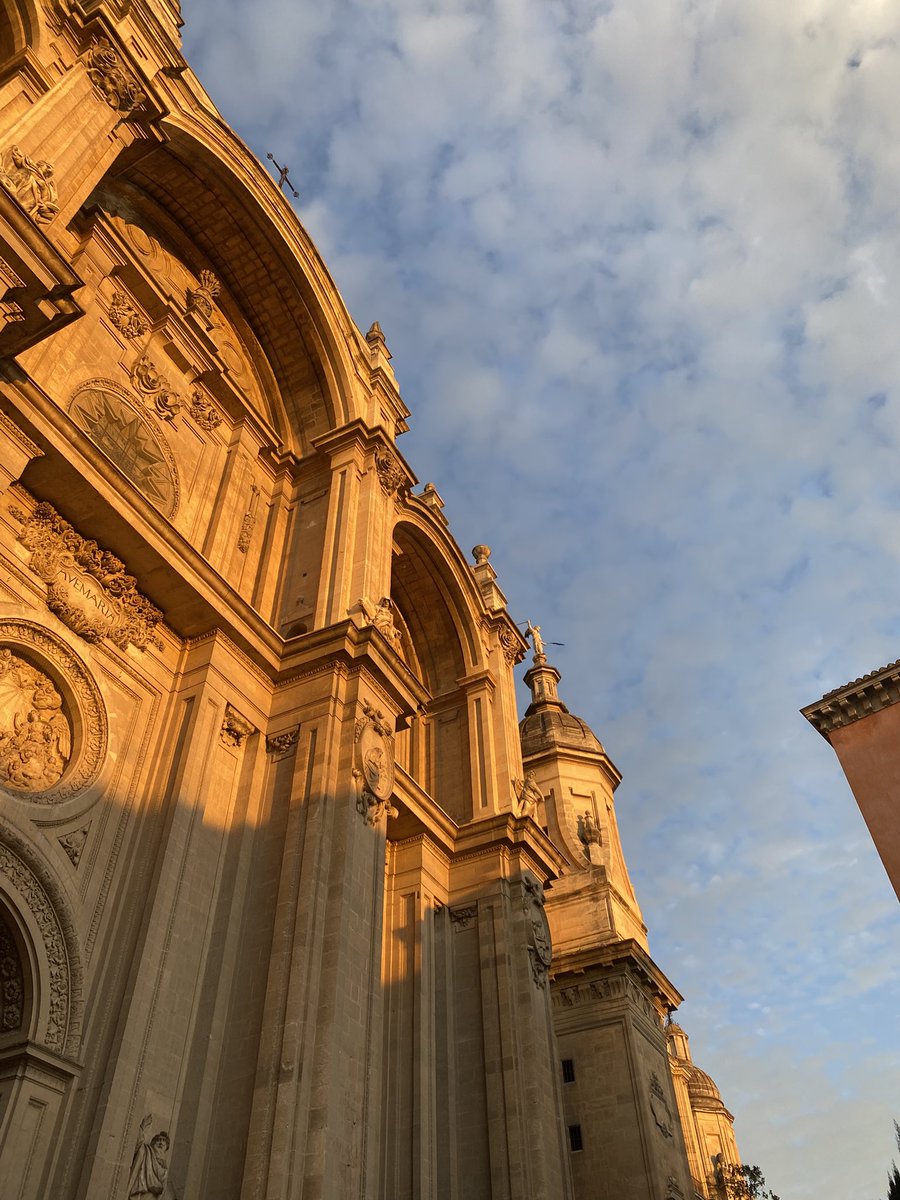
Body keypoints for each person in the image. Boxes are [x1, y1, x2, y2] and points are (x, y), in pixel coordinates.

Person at [128, 1115, 170, 1199]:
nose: (161, 1143)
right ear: (152, 1143)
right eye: (158, 1140)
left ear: (166, 1148)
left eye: (164, 1141)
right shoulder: (146, 1151)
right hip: (138, 1193)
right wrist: (143, 1126)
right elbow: (136, 1144)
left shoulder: (165, 1168)